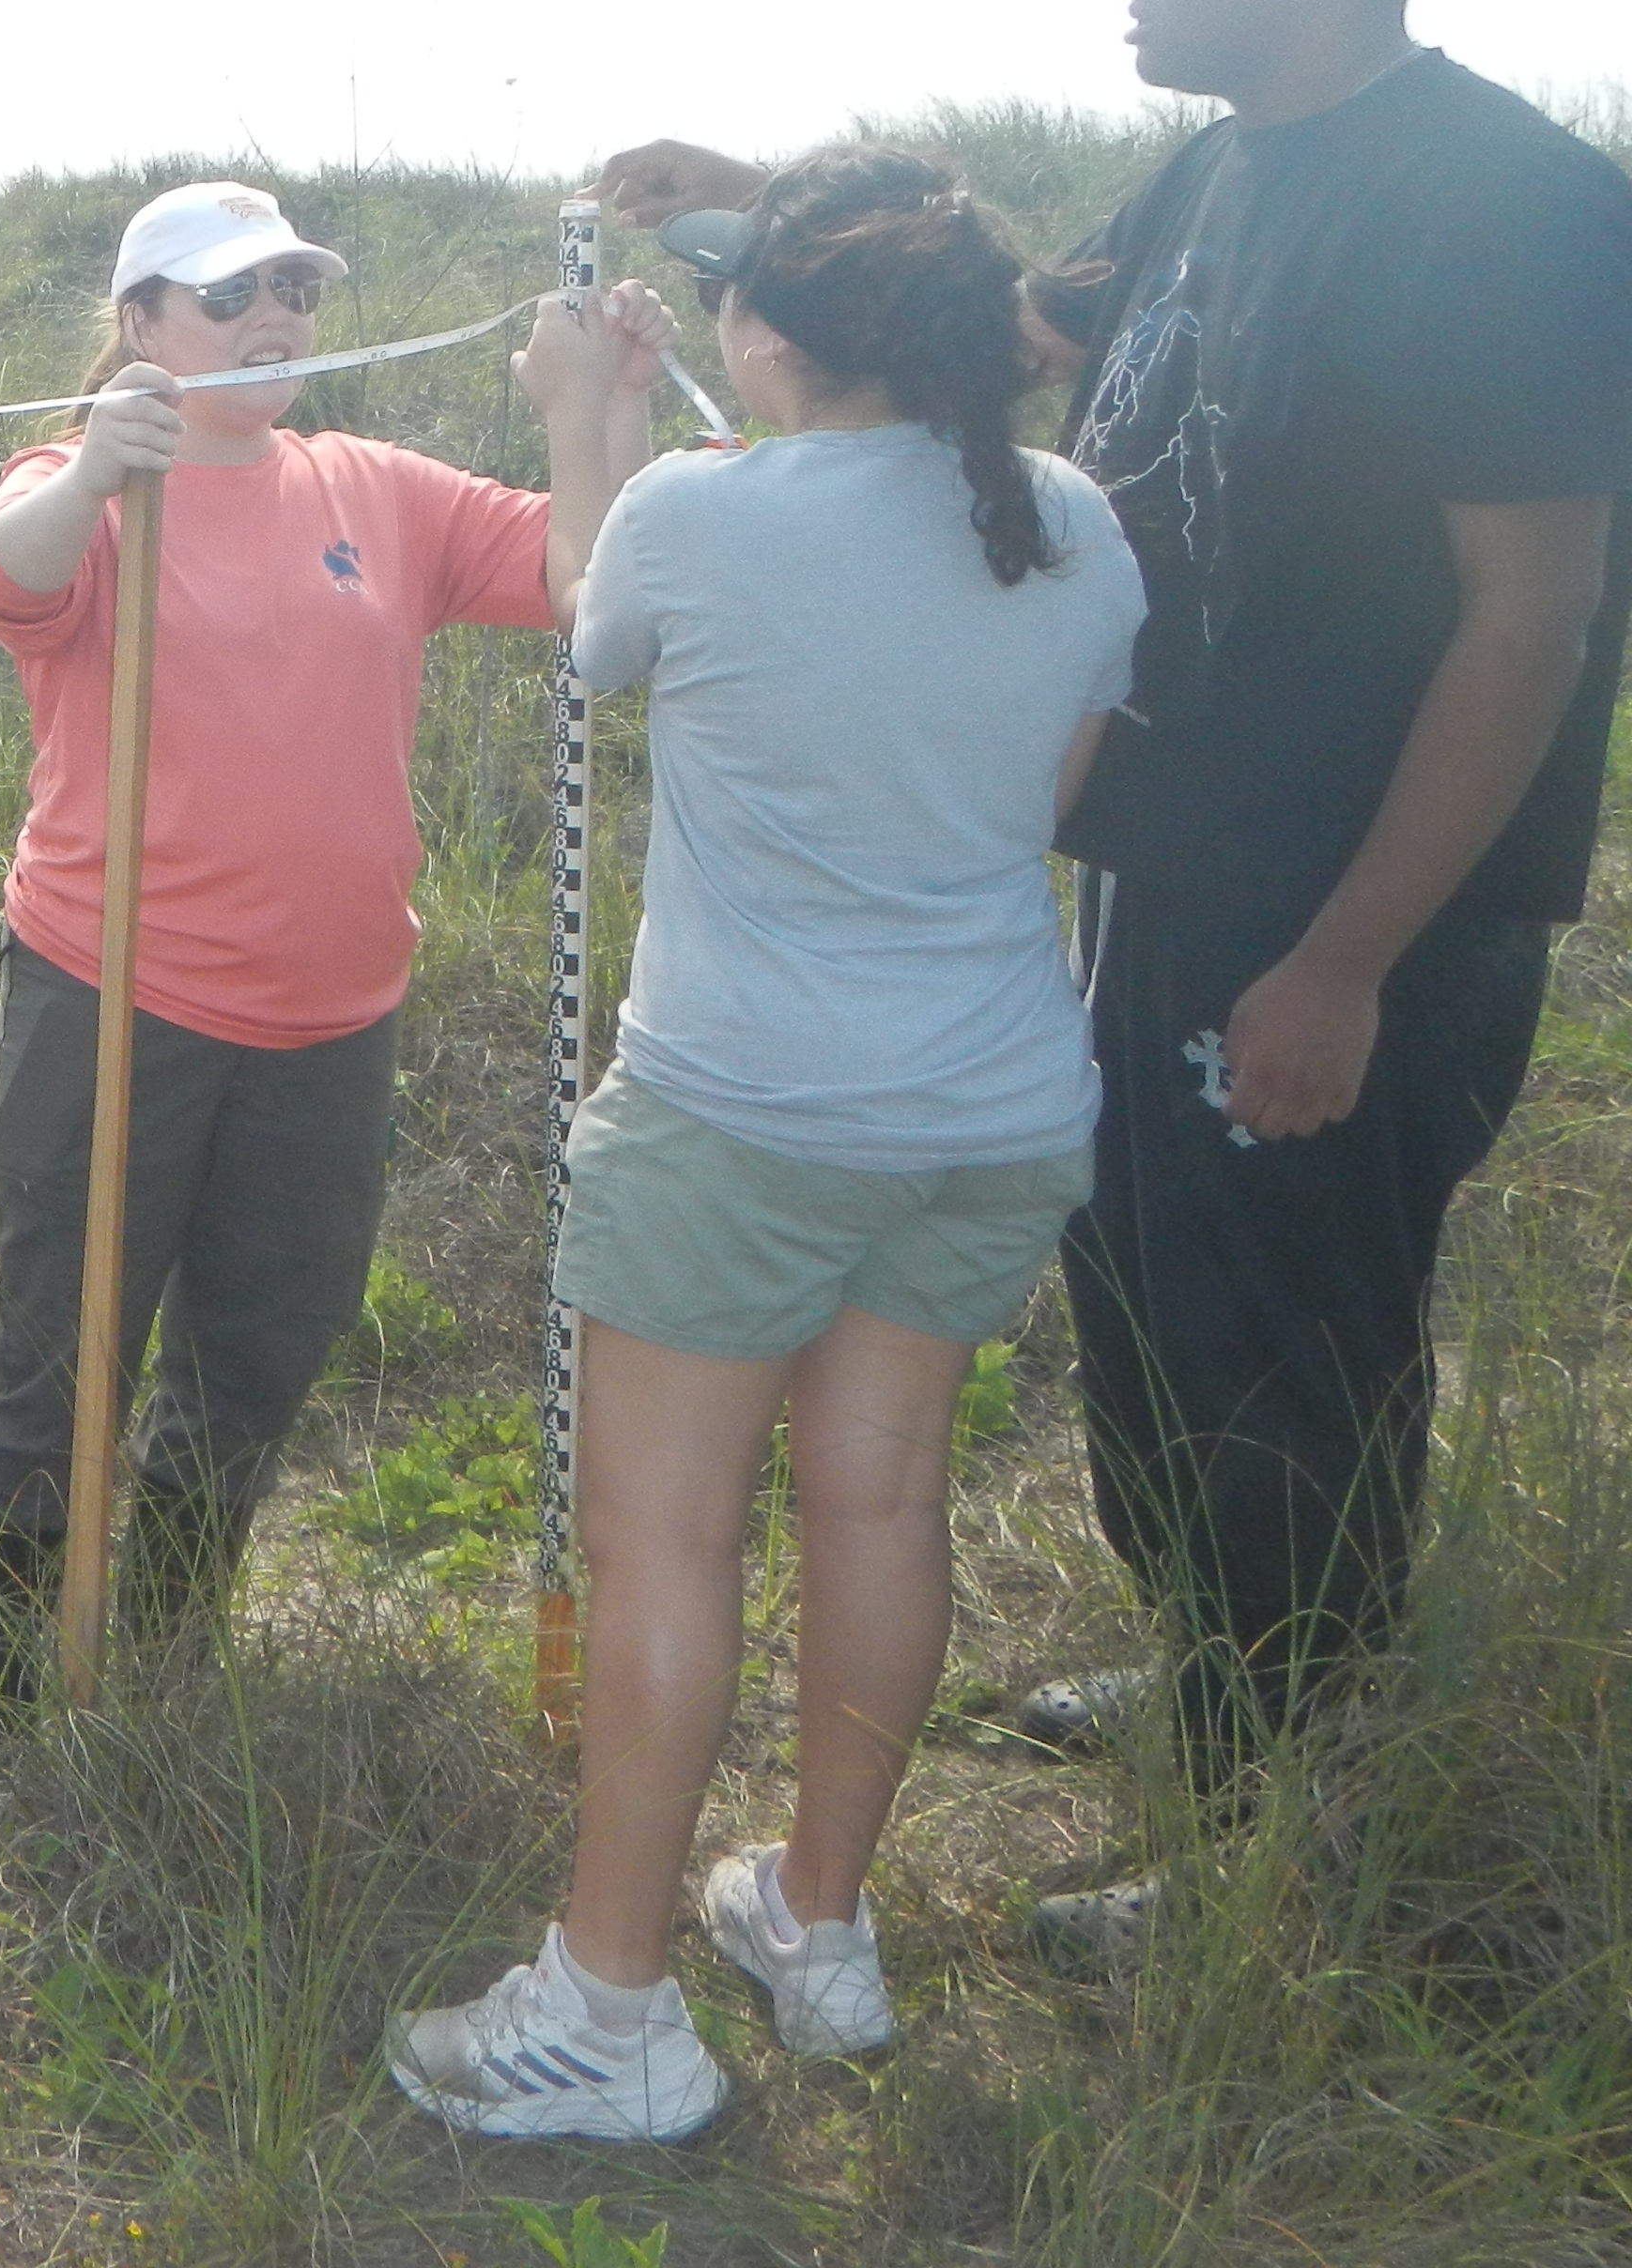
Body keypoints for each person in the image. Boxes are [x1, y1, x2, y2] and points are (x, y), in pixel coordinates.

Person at [595, 0, 1632, 1965]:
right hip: (1172, 862)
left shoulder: (1505, 205)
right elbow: (1022, 331)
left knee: (1302, 1346)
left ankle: (1287, 1843)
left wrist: (1352, 958)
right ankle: (1217, 1680)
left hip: (1350, 912)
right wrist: (756, 218)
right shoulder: (1223, 173)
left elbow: (1529, 620)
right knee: (1160, 1310)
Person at [387, 153, 1146, 2139]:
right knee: (882, 1506)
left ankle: (610, 2008)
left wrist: (581, 421)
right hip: (988, 1107)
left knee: (669, 1537)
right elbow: (1045, 799)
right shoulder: (1074, 523)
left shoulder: (696, 521)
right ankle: (818, 1923)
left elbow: (585, 628)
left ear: (766, 337)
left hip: (742, 1116)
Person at [0, 182, 638, 1745]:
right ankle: (9, 1709)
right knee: (57, 1367)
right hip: (113, 998)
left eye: (295, 294)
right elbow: (15, 570)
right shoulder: (84, 480)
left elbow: (593, 583)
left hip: (333, 1018)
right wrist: (101, 472)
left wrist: (606, 416)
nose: (273, 319)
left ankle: (175, 1655)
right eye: (228, 295)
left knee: (260, 1355)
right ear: (141, 327)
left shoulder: (375, 489)